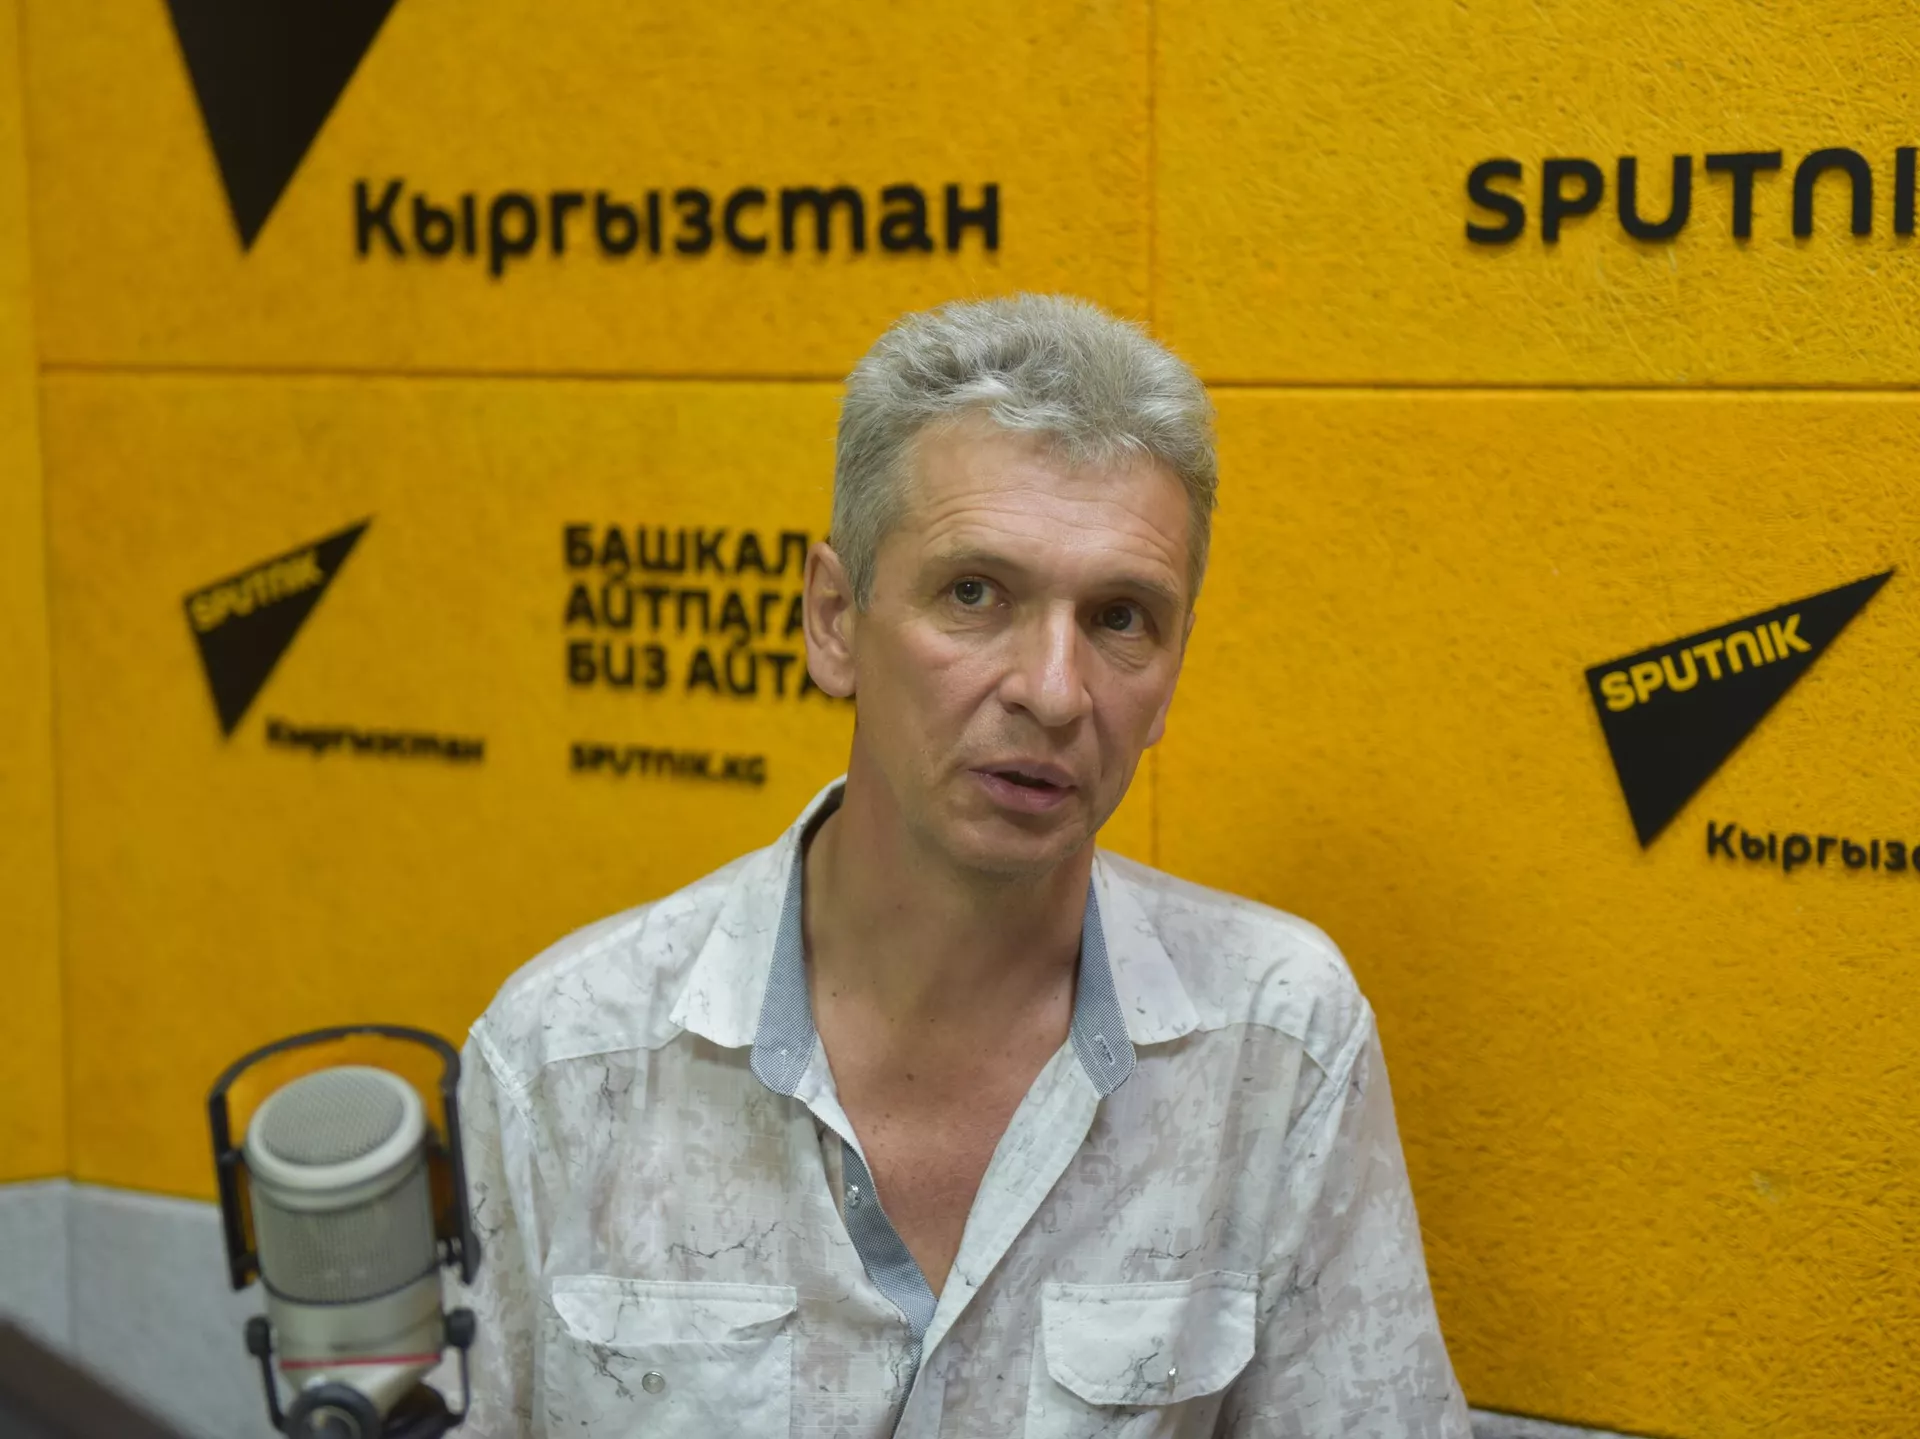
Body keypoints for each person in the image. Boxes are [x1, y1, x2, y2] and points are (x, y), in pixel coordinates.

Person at [448, 294, 1471, 1436]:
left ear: (1171, 671)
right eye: (974, 593)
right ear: (835, 619)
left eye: (1120, 617)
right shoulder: (566, 1055)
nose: (1055, 690)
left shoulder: (1274, 1040)